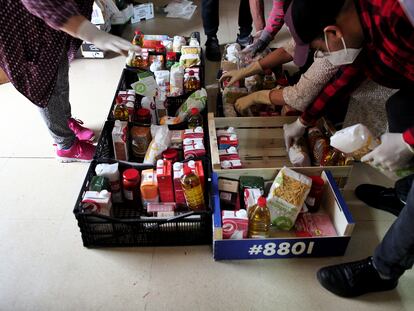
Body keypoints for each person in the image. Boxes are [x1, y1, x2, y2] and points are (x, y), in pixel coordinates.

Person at [283, 0, 414, 297]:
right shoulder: (364, 23)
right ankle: (404, 198)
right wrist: (304, 121)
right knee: (400, 105)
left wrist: (408, 141)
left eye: (321, 49)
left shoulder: (401, 15)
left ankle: (384, 270)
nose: (325, 55)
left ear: (333, 33)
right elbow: (349, 77)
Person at [0, 0, 140, 162]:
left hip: (49, 21)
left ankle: (65, 120)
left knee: (59, 69)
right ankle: (66, 146)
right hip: (22, 20)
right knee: (44, 82)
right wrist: (91, 33)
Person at [219, 38, 340, 117]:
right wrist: (244, 71)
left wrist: (255, 97)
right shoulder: (314, 27)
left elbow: (300, 96)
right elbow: (288, 50)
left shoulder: (332, 52)